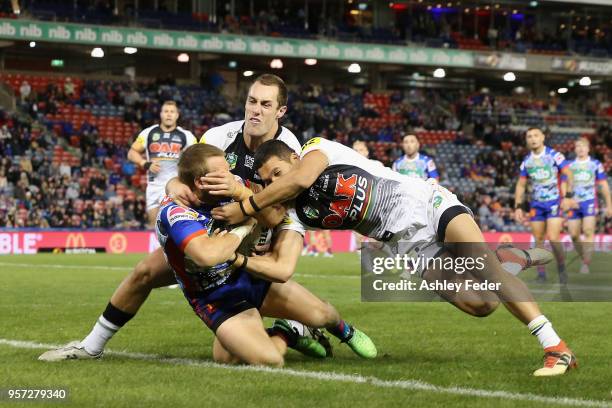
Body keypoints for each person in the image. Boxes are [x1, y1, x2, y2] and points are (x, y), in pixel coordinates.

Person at [37, 74, 365, 361]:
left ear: (280, 111)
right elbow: (182, 172)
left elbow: (278, 212)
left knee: (284, 287)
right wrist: (174, 183)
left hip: (263, 234)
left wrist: (239, 195)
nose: (256, 110)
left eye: (266, 105)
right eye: (252, 101)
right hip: (216, 231)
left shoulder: (288, 150)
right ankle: (91, 347)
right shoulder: (219, 136)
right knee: (145, 272)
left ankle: (293, 327)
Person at [209, 137, 576, 377]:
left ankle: (556, 348)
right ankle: (505, 258)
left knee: (490, 273)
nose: (274, 182)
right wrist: (242, 206)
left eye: (277, 172)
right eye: (267, 179)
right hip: (406, 244)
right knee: (481, 304)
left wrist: (251, 202)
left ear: (293, 157)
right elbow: (272, 215)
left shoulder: (315, 150)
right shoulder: (297, 213)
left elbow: (299, 181)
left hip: (425, 204)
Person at [154, 144, 375, 365]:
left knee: (323, 315)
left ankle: (345, 331)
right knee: (260, 359)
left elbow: (273, 217)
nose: (231, 177)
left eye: (229, 170)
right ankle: (288, 332)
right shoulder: (176, 211)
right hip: (213, 297)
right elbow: (207, 256)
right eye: (223, 173)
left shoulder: (233, 186)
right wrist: (245, 226)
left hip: (248, 276)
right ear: (201, 182)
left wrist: (241, 195)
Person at [514, 127, 574, 284]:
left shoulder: (554, 156)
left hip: (554, 202)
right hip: (536, 204)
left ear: (542, 138)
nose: (532, 139)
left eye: (535, 135)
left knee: (554, 238)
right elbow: (521, 185)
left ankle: (562, 268)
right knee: (538, 239)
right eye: (529, 136)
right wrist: (518, 206)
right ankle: (541, 274)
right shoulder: (527, 161)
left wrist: (568, 196)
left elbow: (569, 174)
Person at [127, 100, 197, 227]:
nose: (169, 114)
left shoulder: (187, 136)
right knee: (154, 225)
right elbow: (132, 153)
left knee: (174, 225)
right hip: (154, 186)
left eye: (172, 112)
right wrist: (145, 164)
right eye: (166, 111)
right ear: (161, 114)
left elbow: (197, 158)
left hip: (176, 186)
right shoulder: (148, 133)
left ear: (177, 115)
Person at [566, 137, 612, 274]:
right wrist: (566, 200)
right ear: (574, 149)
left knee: (588, 231)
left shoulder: (595, 164)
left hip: (589, 202)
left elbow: (603, 185)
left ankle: (586, 262)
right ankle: (583, 256)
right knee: (574, 235)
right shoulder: (569, 165)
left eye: (583, 146)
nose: (580, 148)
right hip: (573, 203)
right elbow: (564, 184)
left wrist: (609, 205)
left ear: (588, 148)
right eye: (578, 146)